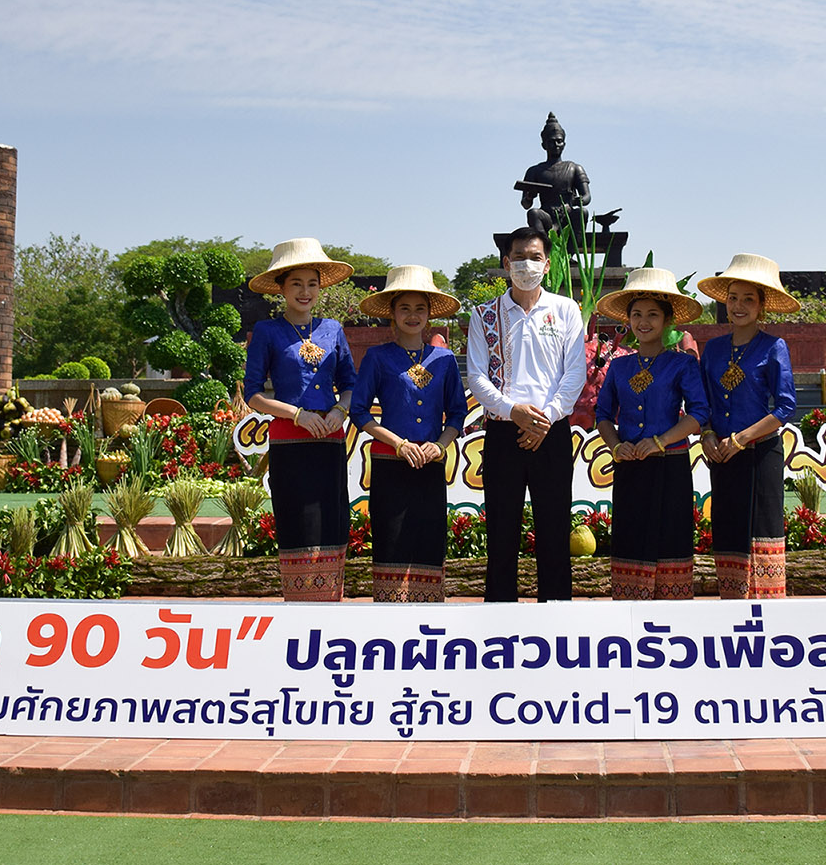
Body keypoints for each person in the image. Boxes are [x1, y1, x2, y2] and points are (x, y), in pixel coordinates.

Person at [465, 226, 589, 602]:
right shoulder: (485, 315)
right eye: (519, 257)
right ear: (506, 262)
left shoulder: (565, 309)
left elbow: (575, 373)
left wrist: (545, 418)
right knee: (502, 532)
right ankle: (499, 617)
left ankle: (556, 616)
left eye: (535, 257)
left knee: (553, 529)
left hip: (552, 431)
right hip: (503, 433)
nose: (526, 264)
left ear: (547, 264)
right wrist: (511, 410)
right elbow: (476, 376)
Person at [242, 238, 357, 601]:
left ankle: (331, 604)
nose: (305, 292)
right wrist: (298, 415)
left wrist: (339, 411)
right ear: (281, 288)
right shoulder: (267, 332)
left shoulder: (333, 329)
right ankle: (300, 607)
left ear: (321, 287)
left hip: (330, 440)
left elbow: (351, 385)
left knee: (332, 519)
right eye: (296, 284)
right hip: (289, 442)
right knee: (297, 520)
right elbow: (253, 394)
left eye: (312, 284)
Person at [350, 266, 467, 603]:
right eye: (405, 308)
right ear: (392, 313)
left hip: (429, 464)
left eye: (420, 308)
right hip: (390, 463)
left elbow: (457, 413)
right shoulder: (377, 357)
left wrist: (439, 446)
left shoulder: (444, 360)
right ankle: (389, 621)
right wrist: (398, 443)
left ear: (430, 314)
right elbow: (359, 412)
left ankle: (429, 621)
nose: (412, 315)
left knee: (429, 540)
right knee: (391, 538)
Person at [593, 267, 707, 600]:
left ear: (668, 320)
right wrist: (617, 448)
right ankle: (629, 618)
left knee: (671, 538)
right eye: (637, 314)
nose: (644, 322)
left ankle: (673, 622)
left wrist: (659, 441)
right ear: (627, 320)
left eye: (653, 315)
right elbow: (602, 416)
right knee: (630, 538)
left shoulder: (682, 364)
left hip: (670, 465)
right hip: (630, 467)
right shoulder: (619, 366)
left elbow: (699, 414)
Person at [697, 254, 800, 599]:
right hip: (721, 454)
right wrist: (707, 433)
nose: (739, 306)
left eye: (748, 299)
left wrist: (742, 437)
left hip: (760, 452)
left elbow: (785, 406)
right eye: (733, 298)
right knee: (727, 527)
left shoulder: (774, 346)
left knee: (762, 530)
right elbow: (703, 404)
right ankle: (731, 605)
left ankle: (768, 611)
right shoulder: (711, 350)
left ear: (761, 306)